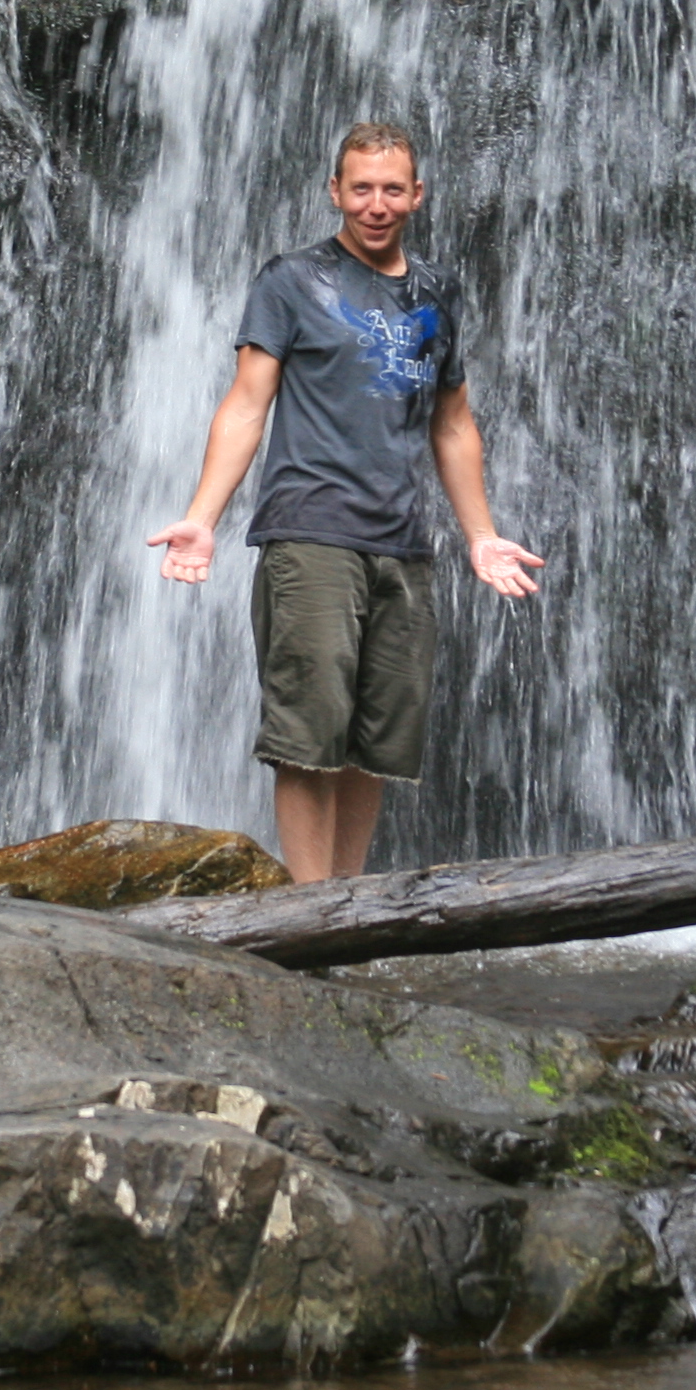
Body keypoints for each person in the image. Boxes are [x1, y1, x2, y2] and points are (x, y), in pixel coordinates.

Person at [145, 123, 543, 881]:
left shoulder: (437, 292)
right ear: (335, 191)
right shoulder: (292, 280)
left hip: (403, 544)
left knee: (376, 741)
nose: (376, 205)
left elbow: (453, 423)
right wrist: (202, 518)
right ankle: (311, 909)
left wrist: (481, 534)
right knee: (310, 734)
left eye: (392, 189)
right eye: (361, 188)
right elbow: (246, 404)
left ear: (418, 195)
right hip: (311, 533)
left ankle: (347, 906)